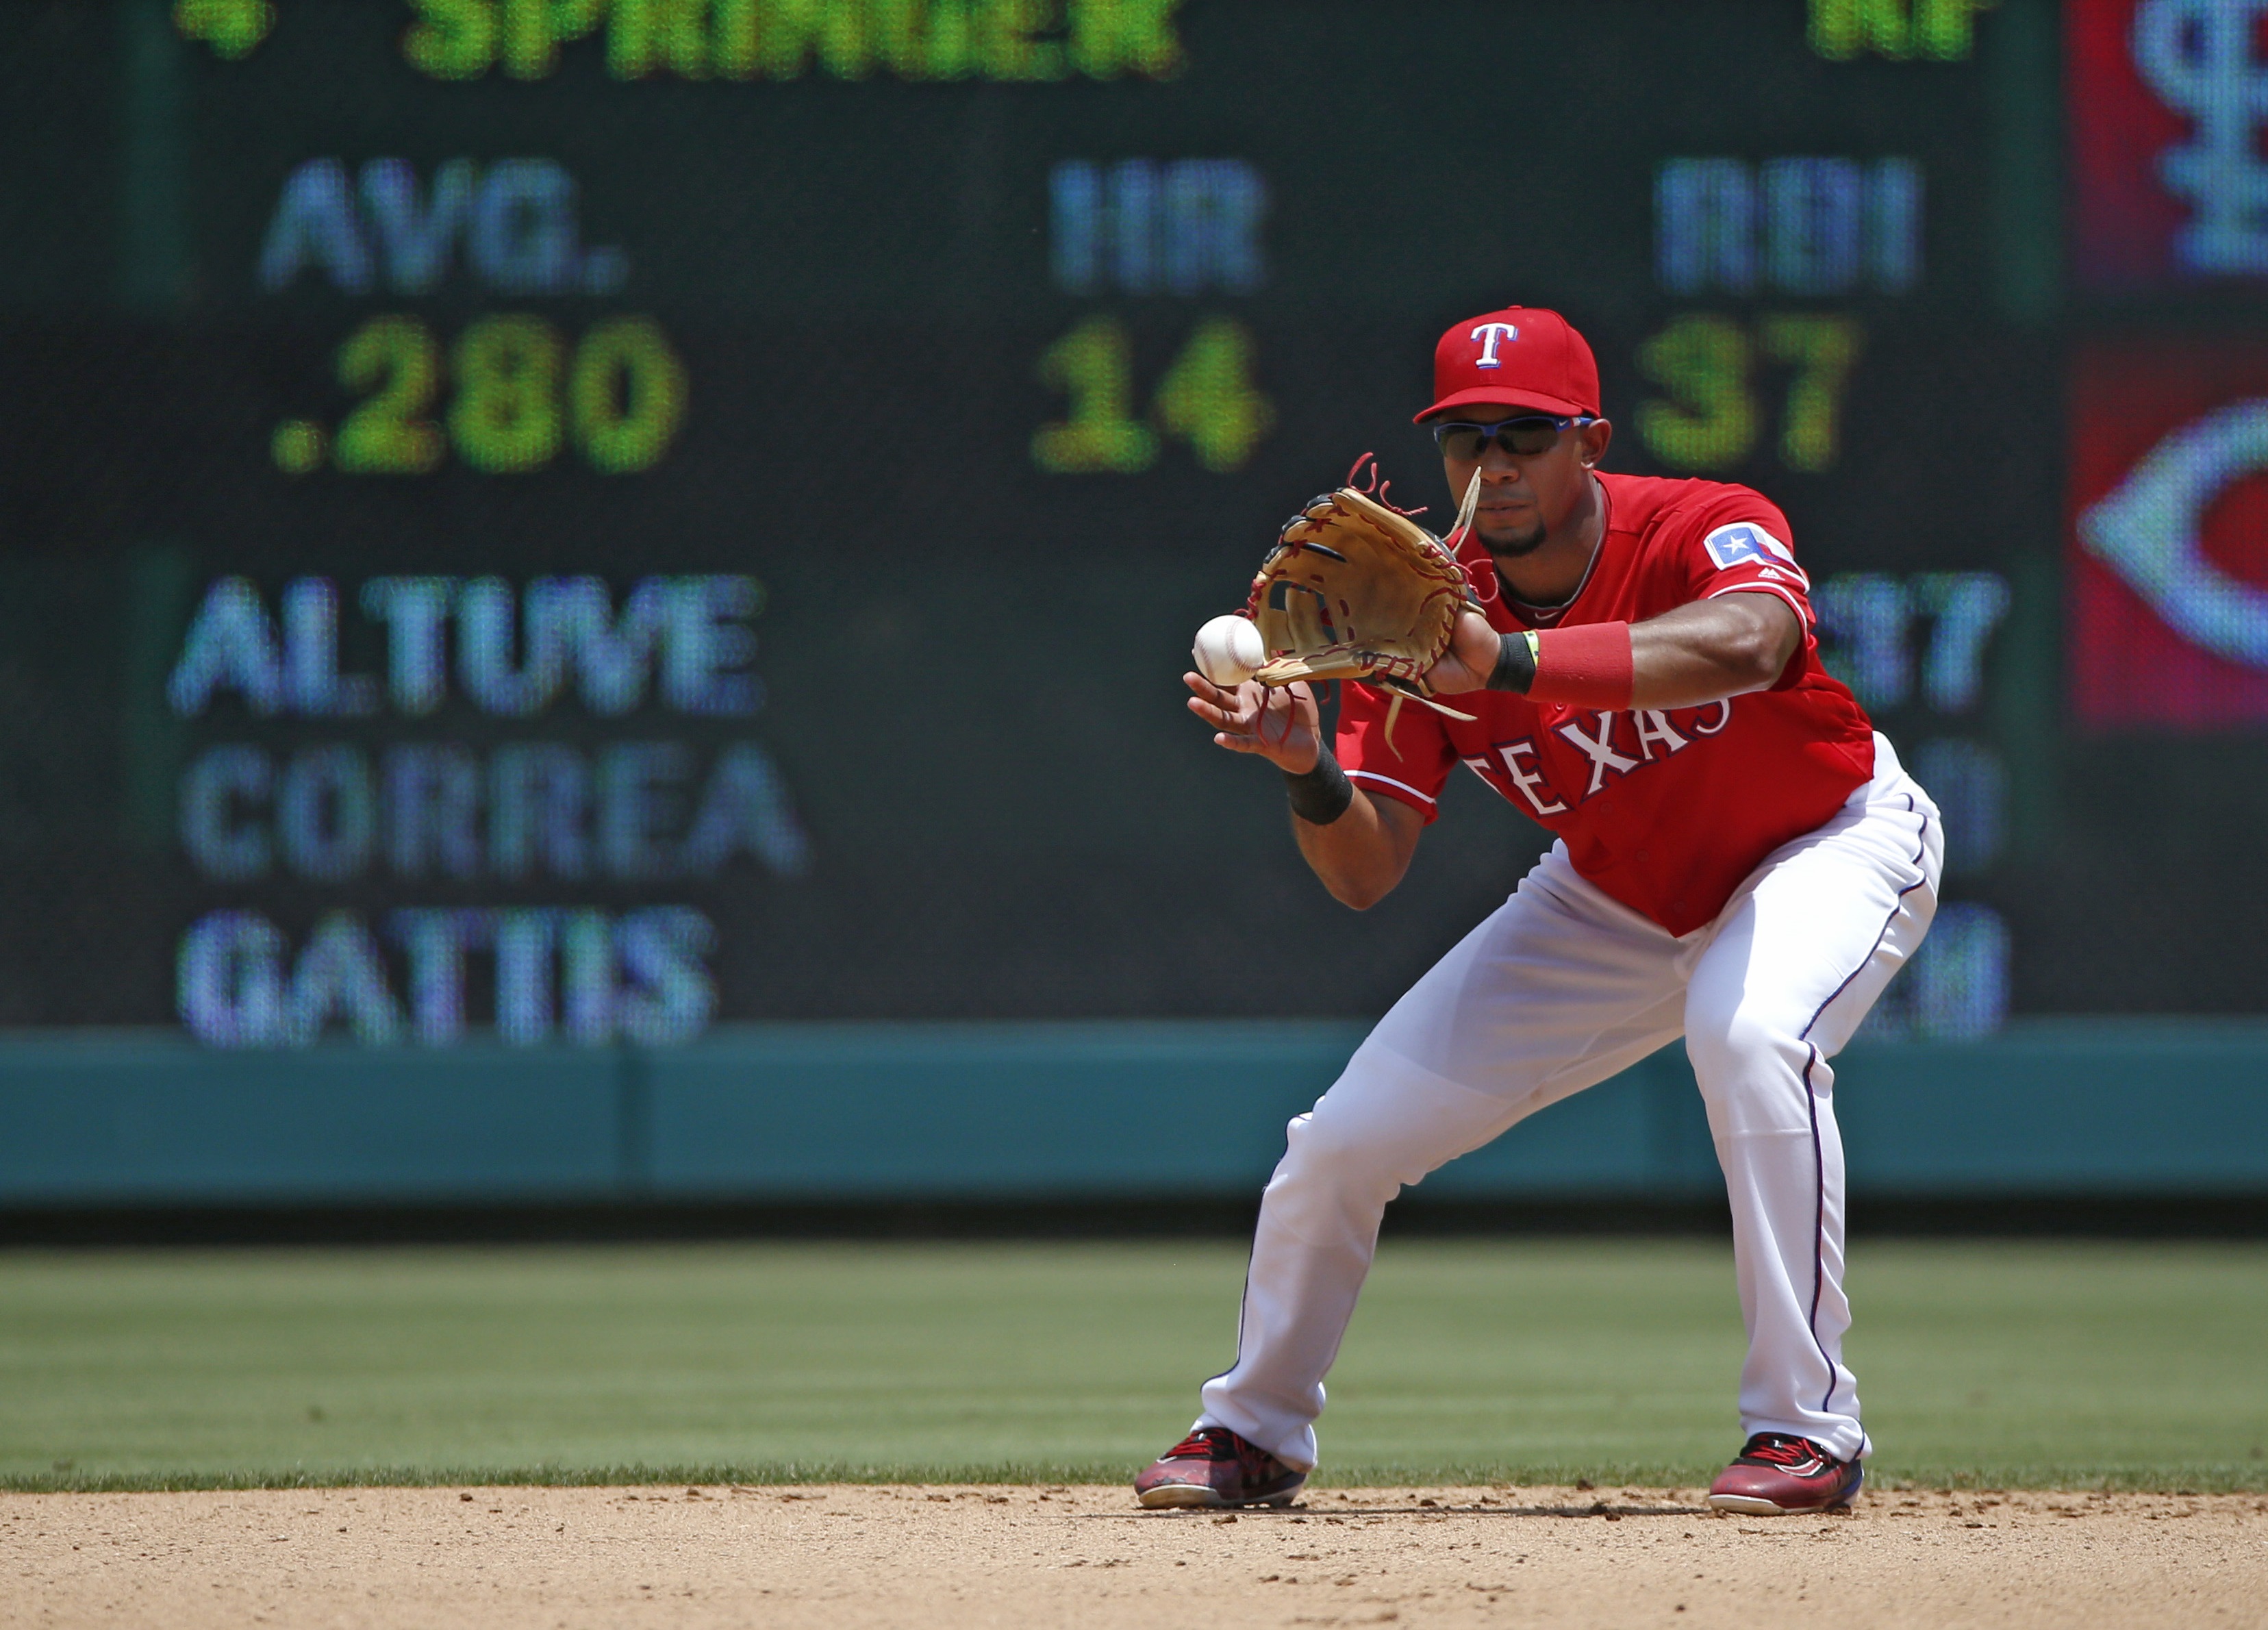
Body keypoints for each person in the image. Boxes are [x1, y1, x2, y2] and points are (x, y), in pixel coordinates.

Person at [1138, 306, 1939, 1516]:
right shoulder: (1414, 613)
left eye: (1527, 433)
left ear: (1592, 441)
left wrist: (1508, 665)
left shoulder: (1699, 522)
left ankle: (1804, 1431)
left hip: (1825, 841)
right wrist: (1309, 766)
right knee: (1340, 1142)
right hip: (1612, 901)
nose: (1493, 465)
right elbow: (1367, 871)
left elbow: (1756, 641)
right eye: (1465, 438)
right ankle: (1250, 1430)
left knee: (1749, 1033)